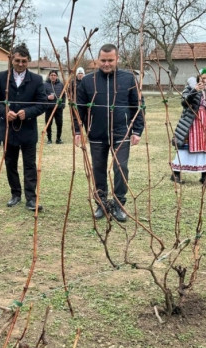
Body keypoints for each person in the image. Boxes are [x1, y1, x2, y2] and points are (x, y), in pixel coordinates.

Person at [75, 44, 145, 222]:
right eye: (103, 60)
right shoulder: (87, 81)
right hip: (96, 133)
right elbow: (79, 109)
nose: (106, 64)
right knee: (98, 169)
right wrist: (78, 130)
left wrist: (137, 130)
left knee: (121, 168)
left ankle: (119, 204)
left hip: (121, 133)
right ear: (98, 60)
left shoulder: (129, 79)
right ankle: (101, 203)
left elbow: (138, 106)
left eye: (110, 60)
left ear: (117, 59)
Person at [0, 44, 47, 211]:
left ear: (28, 61)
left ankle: (31, 198)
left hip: (28, 130)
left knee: (29, 164)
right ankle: (15, 194)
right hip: (8, 130)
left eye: (24, 61)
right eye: (17, 60)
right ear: (11, 60)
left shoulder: (36, 80)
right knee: (10, 163)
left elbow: (42, 103)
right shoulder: (2, 78)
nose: (20, 64)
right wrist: (4, 111)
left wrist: (27, 112)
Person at [171, 66, 206, 187]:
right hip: (191, 121)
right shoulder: (191, 87)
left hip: (204, 123)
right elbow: (184, 102)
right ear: (199, 77)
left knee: (205, 148)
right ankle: (175, 173)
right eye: (204, 78)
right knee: (185, 146)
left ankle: (204, 176)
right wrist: (194, 91)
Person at [43, 70, 65, 144]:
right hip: (49, 108)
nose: (53, 76)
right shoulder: (45, 84)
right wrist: (47, 97)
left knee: (59, 123)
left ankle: (58, 139)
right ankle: (49, 139)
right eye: (51, 75)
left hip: (58, 108)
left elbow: (64, 95)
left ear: (57, 76)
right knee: (48, 123)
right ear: (49, 76)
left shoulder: (61, 85)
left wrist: (63, 104)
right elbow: (41, 95)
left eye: (54, 75)